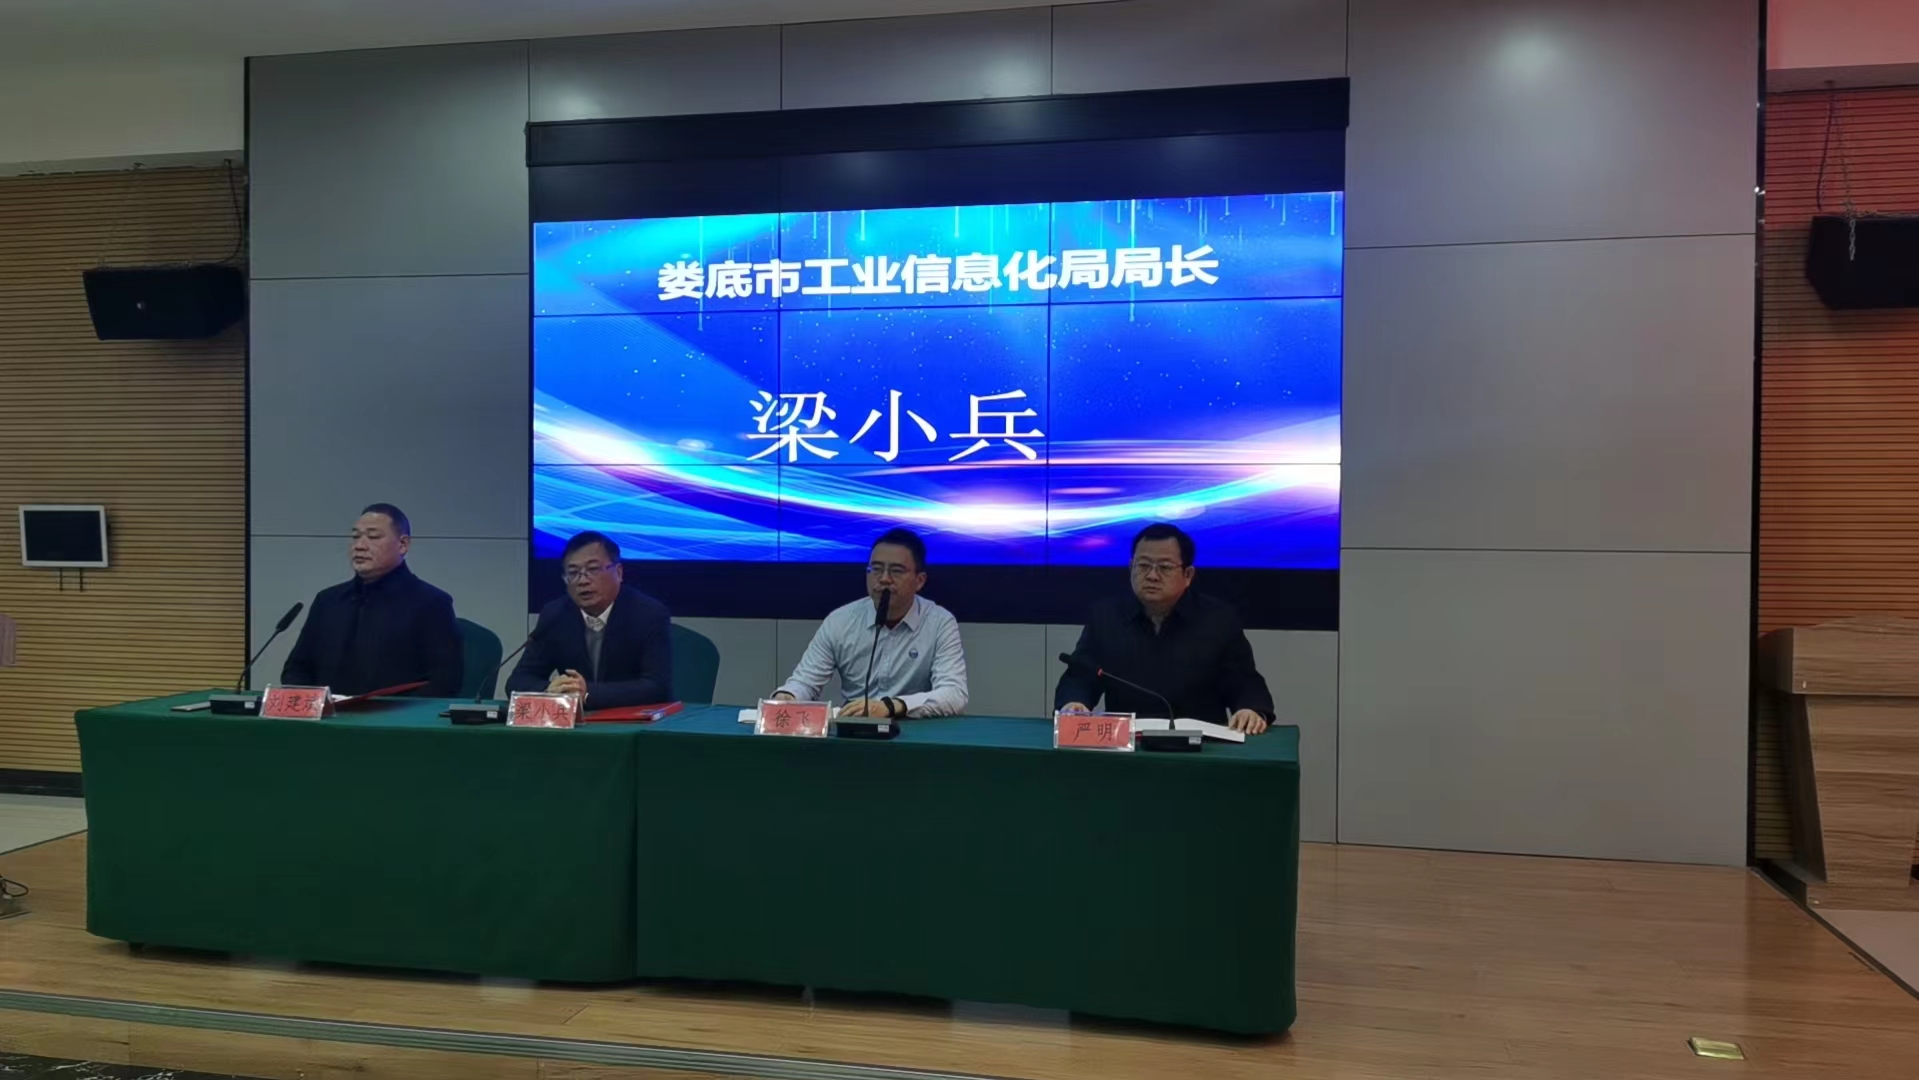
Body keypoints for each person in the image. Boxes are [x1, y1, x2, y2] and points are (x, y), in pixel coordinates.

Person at [1054, 523, 1275, 734]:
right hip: (1127, 743)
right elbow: (1081, 676)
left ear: (1188, 575)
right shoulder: (1105, 616)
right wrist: (1075, 703)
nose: (1152, 576)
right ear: (1131, 568)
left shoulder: (1219, 620)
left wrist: (1250, 708)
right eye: (1143, 566)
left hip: (1202, 746)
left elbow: (1243, 680)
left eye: (1165, 568)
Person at [771, 527, 968, 718]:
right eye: (876, 569)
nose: (884, 579)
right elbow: (805, 681)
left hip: (912, 727)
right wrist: (788, 695)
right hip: (855, 728)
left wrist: (891, 707)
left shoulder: (939, 623)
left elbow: (954, 693)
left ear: (920, 580)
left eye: (896, 571)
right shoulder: (841, 620)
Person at [280, 503, 463, 697]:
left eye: (373, 537)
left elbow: (444, 681)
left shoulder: (431, 603)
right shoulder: (328, 601)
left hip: (395, 715)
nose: (359, 546)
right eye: (355, 537)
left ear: (403, 544)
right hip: (327, 714)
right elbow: (297, 669)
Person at [505, 531, 672, 709]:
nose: (582, 581)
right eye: (573, 572)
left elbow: (657, 687)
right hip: (575, 722)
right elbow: (518, 681)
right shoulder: (556, 615)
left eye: (593, 569)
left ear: (619, 572)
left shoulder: (649, 614)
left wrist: (587, 693)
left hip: (632, 719)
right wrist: (550, 690)